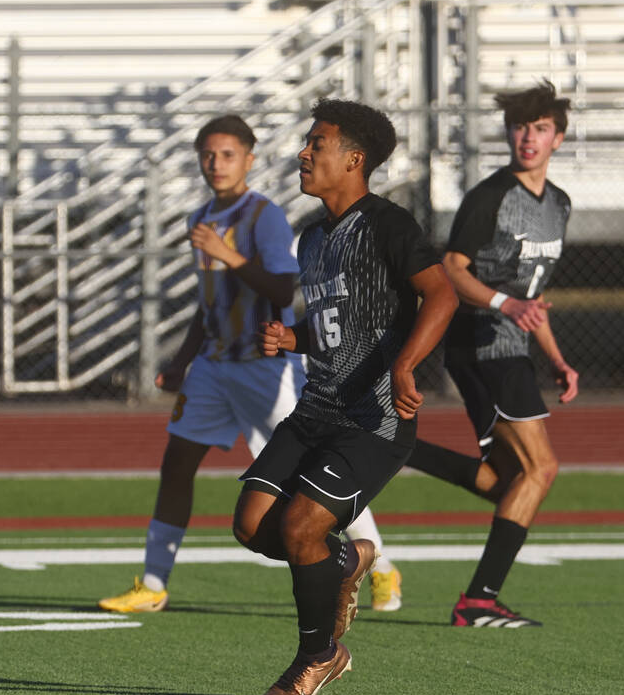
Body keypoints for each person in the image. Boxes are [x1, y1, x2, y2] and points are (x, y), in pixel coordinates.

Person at [98, 115, 403, 615]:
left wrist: (228, 255)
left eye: (227, 154)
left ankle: (381, 565)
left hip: (265, 367)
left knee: (311, 470)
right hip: (215, 368)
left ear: (249, 159)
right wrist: (180, 362)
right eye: (208, 155)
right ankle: (153, 583)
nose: (216, 164)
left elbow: (284, 290)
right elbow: (208, 302)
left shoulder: (263, 216)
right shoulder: (202, 215)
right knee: (176, 465)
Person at [233, 99, 457, 695]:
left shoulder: (388, 224)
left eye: (318, 143)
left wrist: (407, 364)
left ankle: (319, 656)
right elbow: (342, 325)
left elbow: (441, 296)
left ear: (354, 159)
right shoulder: (312, 240)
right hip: (315, 411)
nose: (304, 153)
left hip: (374, 419)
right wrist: (295, 338)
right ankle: (347, 563)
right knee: (251, 526)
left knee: (304, 526)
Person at [405, 81, 577, 628]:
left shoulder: (559, 204)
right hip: (480, 342)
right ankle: (478, 600)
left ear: (559, 137)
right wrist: (504, 304)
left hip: (512, 346)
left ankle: (399, 448)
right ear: (508, 133)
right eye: (520, 126)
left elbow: (533, 300)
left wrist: (558, 359)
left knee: (509, 484)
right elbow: (452, 269)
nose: (529, 137)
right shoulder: (489, 196)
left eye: (541, 127)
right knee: (542, 468)